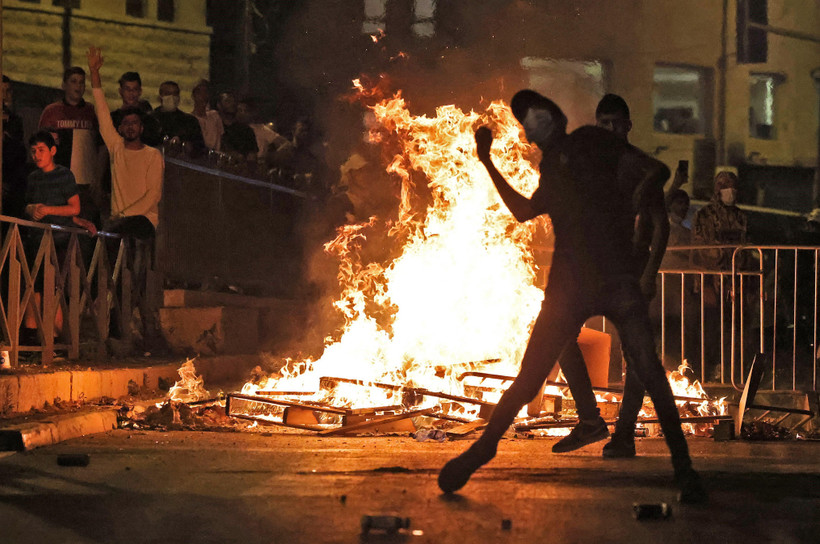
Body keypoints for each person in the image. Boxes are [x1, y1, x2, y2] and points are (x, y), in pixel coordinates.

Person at [437, 90, 705, 503]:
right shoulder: (552, 169)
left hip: (616, 278)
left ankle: (684, 471)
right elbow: (525, 212)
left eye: (537, 116)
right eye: (526, 121)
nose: (532, 126)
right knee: (528, 380)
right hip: (571, 283)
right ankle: (484, 448)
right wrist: (487, 162)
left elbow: (656, 169)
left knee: (649, 369)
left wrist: (633, 199)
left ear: (555, 116)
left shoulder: (592, 140)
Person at [21, 131, 96, 345]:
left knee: (55, 287)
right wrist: (32, 208)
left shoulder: (64, 175)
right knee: (34, 286)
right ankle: (31, 336)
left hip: (59, 239)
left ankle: (56, 338)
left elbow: (74, 207)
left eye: (41, 150)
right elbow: (26, 205)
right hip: (36, 239)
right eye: (33, 151)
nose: (36, 155)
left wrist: (47, 210)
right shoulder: (33, 177)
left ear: (53, 151)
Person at [38, 66, 102, 224]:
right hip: (57, 181)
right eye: (73, 82)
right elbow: (40, 147)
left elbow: (101, 146)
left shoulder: (91, 111)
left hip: (84, 184)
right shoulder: (52, 112)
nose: (78, 86)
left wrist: (98, 178)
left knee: (84, 224)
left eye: (81, 82)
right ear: (64, 85)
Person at [150, 81, 206, 157]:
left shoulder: (189, 121)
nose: (172, 97)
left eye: (175, 93)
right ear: (160, 96)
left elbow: (200, 148)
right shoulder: (150, 120)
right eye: (167, 93)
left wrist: (186, 145)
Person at [111, 71, 162, 147]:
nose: (131, 93)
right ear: (120, 91)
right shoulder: (112, 119)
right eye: (127, 89)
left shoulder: (150, 122)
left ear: (140, 91)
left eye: (135, 89)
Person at [3, 75, 29, 219]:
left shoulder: (15, 122)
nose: (5, 96)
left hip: (11, 182)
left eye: (8, 91)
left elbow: (18, 154)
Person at [215, 91, 258, 162]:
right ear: (219, 105)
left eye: (233, 102)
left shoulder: (247, 131)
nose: (232, 104)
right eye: (227, 101)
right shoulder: (213, 124)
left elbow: (252, 157)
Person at [191, 79, 223, 151]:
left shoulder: (215, 116)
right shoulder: (190, 119)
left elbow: (221, 139)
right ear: (194, 95)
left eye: (206, 92)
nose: (203, 96)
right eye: (200, 92)